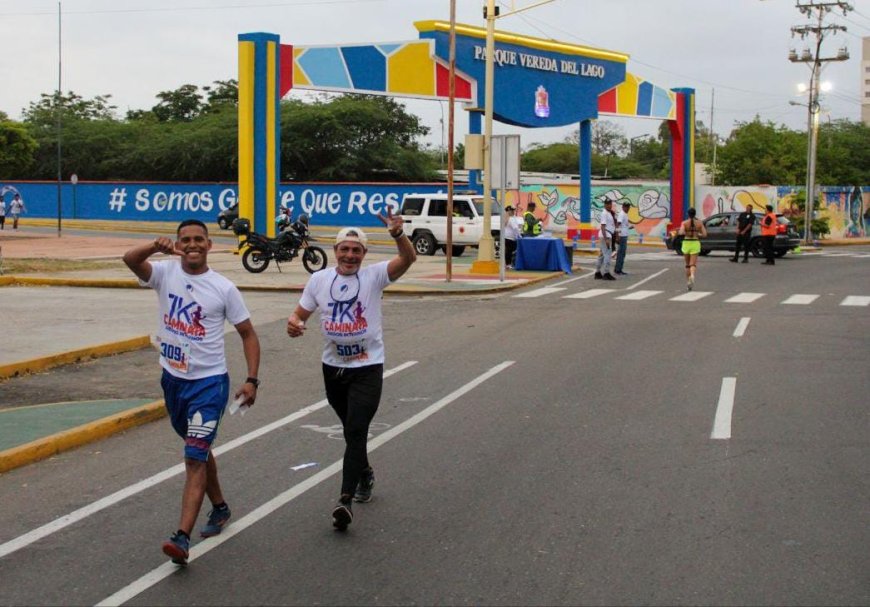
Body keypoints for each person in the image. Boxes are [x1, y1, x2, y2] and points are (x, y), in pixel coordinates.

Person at [123, 219, 261, 565]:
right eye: (186, 240)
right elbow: (129, 259)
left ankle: (181, 537)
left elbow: (248, 334)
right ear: (178, 243)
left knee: (193, 456)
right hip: (173, 381)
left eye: (199, 239)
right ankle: (220, 507)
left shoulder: (223, 288)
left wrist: (252, 379)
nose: (192, 245)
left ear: (210, 245)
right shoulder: (164, 274)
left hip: (208, 384)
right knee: (197, 449)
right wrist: (156, 246)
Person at [285, 210, 415, 531]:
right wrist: (295, 324)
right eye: (344, 249)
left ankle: (345, 499)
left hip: (367, 369)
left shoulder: (374, 276)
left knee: (356, 430)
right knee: (350, 430)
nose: (350, 255)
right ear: (335, 251)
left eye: (356, 250)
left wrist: (398, 235)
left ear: (364, 255)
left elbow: (407, 259)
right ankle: (365, 472)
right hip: (333, 370)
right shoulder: (319, 280)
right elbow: (299, 314)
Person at [678, 207, 707, 290]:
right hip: (695, 243)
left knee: (687, 265)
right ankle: (693, 275)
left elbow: (681, 232)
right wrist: (698, 234)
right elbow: (705, 234)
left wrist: (685, 232)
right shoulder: (699, 223)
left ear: (688, 214)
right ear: (695, 214)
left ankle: (688, 283)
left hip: (686, 243)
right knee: (693, 264)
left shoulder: (684, 223)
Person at [594, 199, 617, 280]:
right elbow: (603, 226)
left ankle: (597, 272)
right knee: (607, 254)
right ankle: (606, 273)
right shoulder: (604, 213)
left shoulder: (608, 213)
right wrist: (606, 238)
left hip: (608, 235)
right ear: (604, 205)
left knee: (602, 255)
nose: (609, 205)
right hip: (606, 235)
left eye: (610, 204)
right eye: (607, 204)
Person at [614, 201, 631, 275]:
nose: (627, 208)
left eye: (628, 207)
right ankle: (618, 270)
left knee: (622, 253)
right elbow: (617, 225)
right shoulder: (621, 214)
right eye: (626, 206)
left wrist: (629, 227)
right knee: (621, 253)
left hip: (624, 235)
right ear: (623, 207)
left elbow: (624, 225)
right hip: (621, 236)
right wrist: (617, 236)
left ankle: (619, 269)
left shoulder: (625, 214)